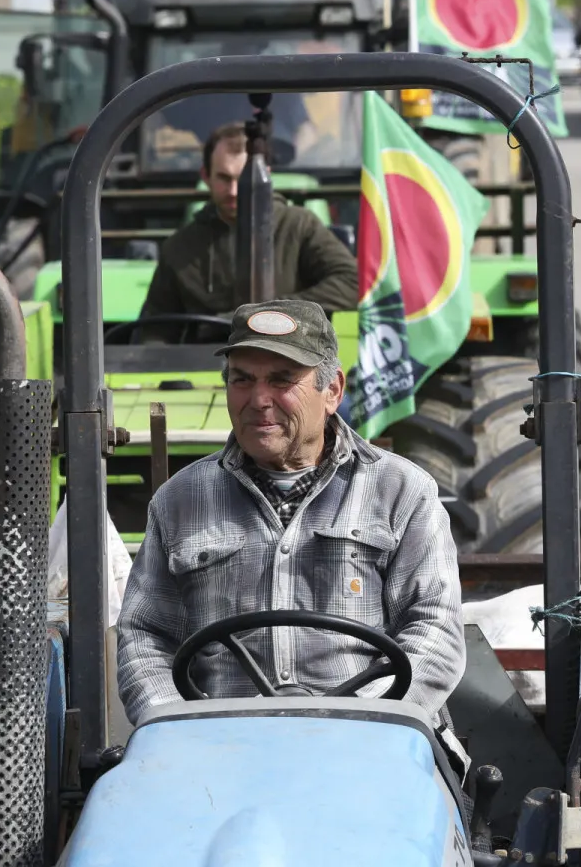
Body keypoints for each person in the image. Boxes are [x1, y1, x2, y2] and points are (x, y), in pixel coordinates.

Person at [114, 299, 465, 725]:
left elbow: (434, 629)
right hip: (221, 750)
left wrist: (365, 718)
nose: (259, 400)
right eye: (243, 380)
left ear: (332, 390)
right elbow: (144, 635)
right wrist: (174, 726)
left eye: (282, 380)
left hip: (365, 745)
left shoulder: (402, 492)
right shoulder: (179, 499)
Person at [138, 123, 358, 338]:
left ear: (266, 174)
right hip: (208, 364)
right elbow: (153, 331)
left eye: (242, 178)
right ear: (206, 176)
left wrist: (270, 312)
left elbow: (353, 283)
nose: (234, 191)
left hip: (289, 358)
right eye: (224, 178)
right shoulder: (179, 248)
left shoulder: (299, 226)